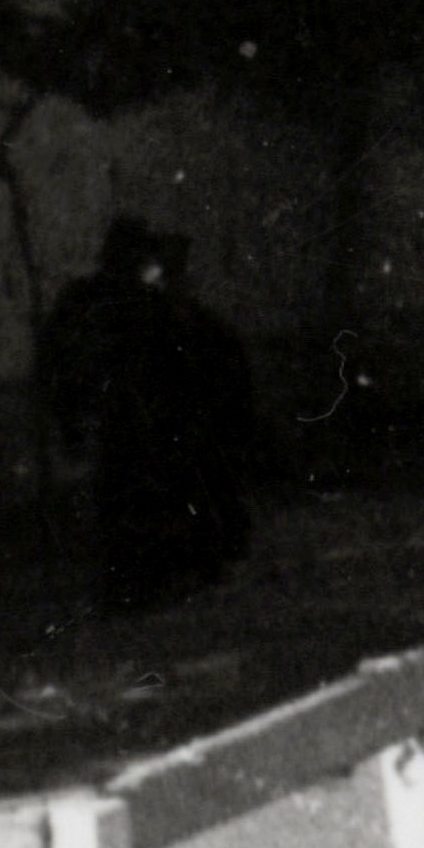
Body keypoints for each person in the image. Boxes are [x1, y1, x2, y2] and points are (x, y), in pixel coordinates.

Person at [36, 216, 266, 601]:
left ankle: (154, 575)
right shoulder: (125, 302)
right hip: (139, 424)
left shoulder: (123, 301)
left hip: (149, 425)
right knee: (144, 499)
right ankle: (148, 577)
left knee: (151, 498)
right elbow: (66, 359)